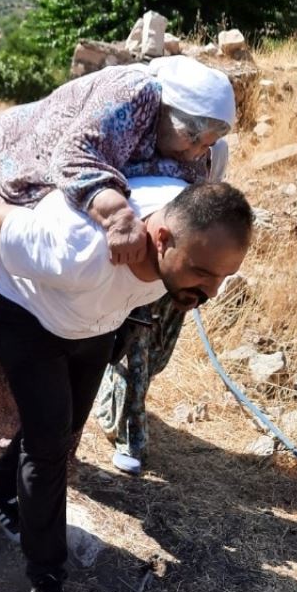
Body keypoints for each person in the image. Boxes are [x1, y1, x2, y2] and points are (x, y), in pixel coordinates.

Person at [0, 178, 253, 592]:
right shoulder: (80, 252)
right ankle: (46, 582)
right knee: (48, 448)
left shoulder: (179, 236)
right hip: (30, 313)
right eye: (203, 273)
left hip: (96, 321)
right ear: (162, 238)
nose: (211, 291)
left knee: (64, 426)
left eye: (224, 277)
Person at [0, 55, 236, 447]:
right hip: (31, 196)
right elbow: (75, 156)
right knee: (11, 328)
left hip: (103, 279)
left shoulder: (199, 151)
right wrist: (116, 215)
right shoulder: (132, 98)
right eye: (191, 137)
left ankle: (34, 449)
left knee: (65, 372)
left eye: (206, 144)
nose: (195, 151)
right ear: (166, 112)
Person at [95, 137, 231, 475]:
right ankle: (132, 438)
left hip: (180, 279)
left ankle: (113, 403)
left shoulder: (217, 150)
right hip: (146, 262)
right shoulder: (158, 144)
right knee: (135, 351)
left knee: (156, 356)